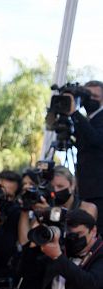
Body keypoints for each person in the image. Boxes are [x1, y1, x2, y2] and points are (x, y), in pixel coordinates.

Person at [67, 81, 103, 226]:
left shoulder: (98, 118)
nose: (91, 99)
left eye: (95, 96)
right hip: (85, 189)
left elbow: (96, 140)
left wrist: (75, 113)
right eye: (88, 95)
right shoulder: (86, 120)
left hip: (99, 191)